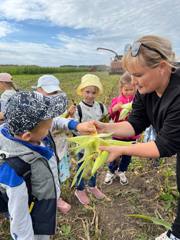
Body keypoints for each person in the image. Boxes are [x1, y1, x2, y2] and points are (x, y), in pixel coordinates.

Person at [93, 35, 180, 239]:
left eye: (138, 74)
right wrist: (104, 127)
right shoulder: (146, 88)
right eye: (130, 75)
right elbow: (135, 123)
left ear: (162, 67)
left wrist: (122, 149)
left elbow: (164, 146)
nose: (133, 81)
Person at [0, 91, 67, 240]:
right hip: (34, 215)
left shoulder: (26, 135)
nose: (50, 127)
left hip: (44, 200)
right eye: (47, 126)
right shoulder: (14, 169)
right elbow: (19, 218)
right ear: (27, 136)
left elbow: (52, 123)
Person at [33, 74, 97, 213]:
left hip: (54, 150)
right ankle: (43, 202)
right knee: (40, 178)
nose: (53, 95)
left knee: (54, 174)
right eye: (50, 92)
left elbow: (56, 121)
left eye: (55, 92)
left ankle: (56, 199)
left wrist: (76, 125)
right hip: (36, 153)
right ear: (38, 90)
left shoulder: (51, 106)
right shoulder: (30, 106)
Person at [73, 74, 108, 205]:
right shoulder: (78, 109)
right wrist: (85, 131)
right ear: (82, 91)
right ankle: (80, 189)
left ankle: (92, 186)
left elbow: (105, 121)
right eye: (87, 92)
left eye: (93, 92)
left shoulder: (101, 107)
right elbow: (74, 127)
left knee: (95, 164)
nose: (90, 95)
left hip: (96, 143)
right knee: (82, 166)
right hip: (83, 143)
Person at [104, 71, 139, 185]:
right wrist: (115, 109)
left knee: (127, 156)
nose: (129, 92)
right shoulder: (117, 101)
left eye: (131, 89)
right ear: (121, 89)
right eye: (126, 90)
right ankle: (111, 171)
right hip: (118, 134)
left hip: (132, 135)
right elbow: (110, 115)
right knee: (114, 154)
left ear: (135, 87)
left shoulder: (138, 101)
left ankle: (122, 171)